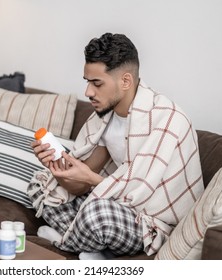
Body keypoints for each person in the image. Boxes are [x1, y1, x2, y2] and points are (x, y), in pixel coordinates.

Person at [28, 32, 204, 259]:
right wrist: (58, 169)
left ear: (126, 81)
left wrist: (91, 180)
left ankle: (65, 241)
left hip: (150, 221)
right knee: (41, 185)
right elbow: (80, 186)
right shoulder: (105, 118)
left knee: (98, 213)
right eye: (88, 82)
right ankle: (94, 248)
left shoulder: (167, 119)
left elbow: (145, 198)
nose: (88, 92)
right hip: (116, 205)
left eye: (97, 83)